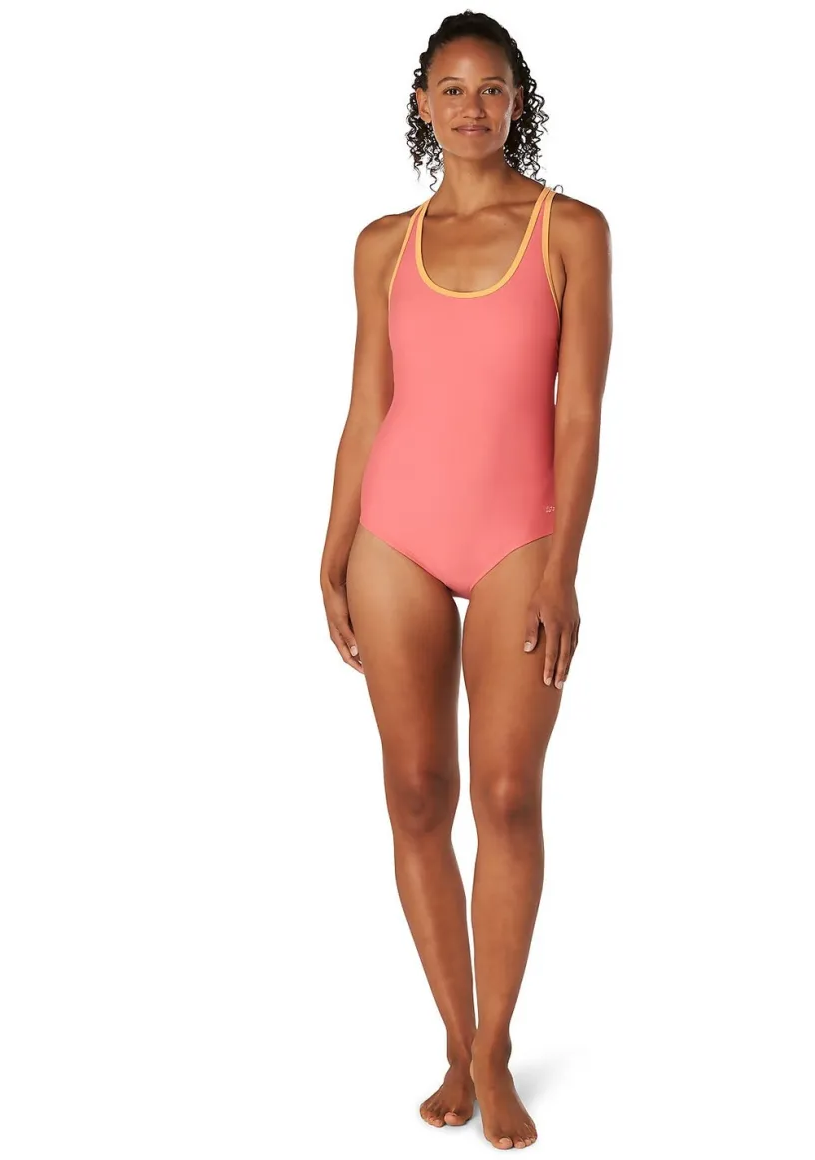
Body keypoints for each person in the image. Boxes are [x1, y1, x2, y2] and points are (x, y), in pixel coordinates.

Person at [319, 11, 611, 1151]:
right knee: (415, 792)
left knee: (506, 794)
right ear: (422, 105)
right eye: (451, 89)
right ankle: (455, 1038)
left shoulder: (570, 230)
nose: (472, 107)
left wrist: (564, 567)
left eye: (492, 88)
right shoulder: (381, 245)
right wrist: (331, 544)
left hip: (516, 539)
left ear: (516, 101)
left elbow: (579, 413)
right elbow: (366, 407)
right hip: (394, 530)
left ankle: (497, 1049)